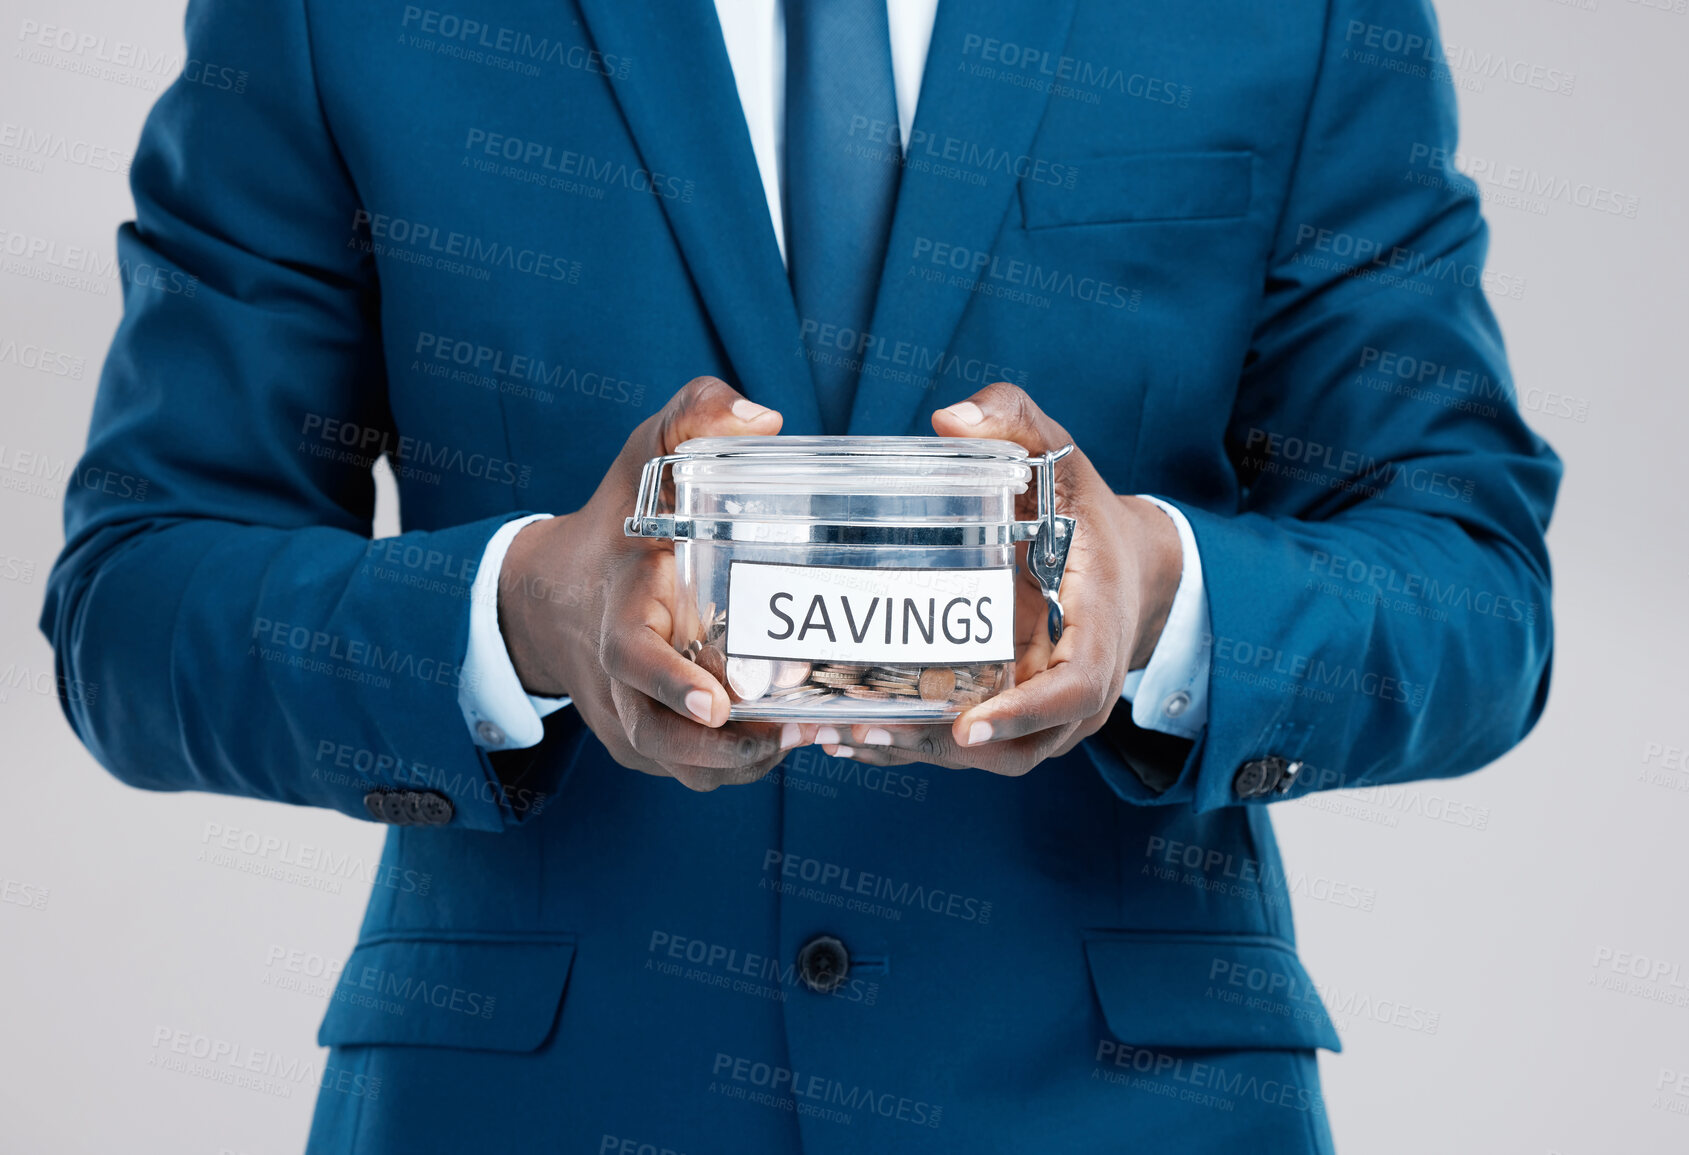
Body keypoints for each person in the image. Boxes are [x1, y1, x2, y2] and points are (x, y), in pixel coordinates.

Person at [43, 0, 1560, 1151]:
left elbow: (1471, 577)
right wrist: (520, 617)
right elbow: (141, 593)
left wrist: (1159, 593)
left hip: (1115, 1109)